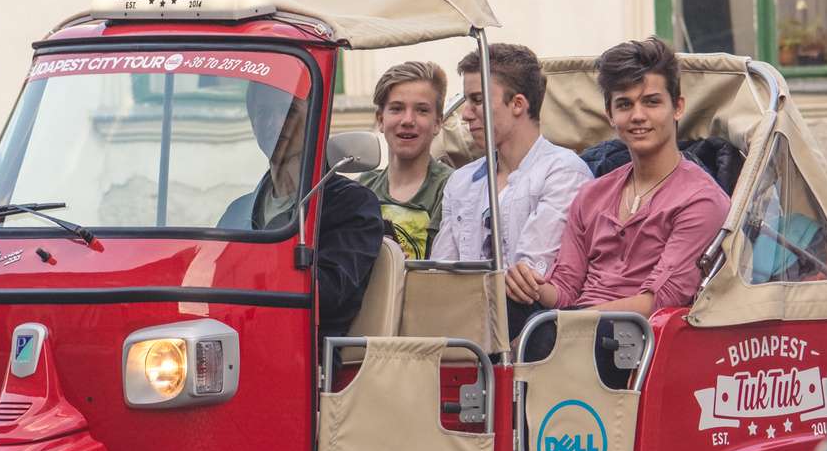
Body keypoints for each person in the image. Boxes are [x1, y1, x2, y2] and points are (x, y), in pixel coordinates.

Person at [531, 37, 731, 319]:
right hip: (570, 325)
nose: (638, 116)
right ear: (610, 115)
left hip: (640, 336)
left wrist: (567, 322)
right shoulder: (591, 195)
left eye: (651, 102)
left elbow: (661, 300)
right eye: (625, 105)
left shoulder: (701, 200)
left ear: (677, 107)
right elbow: (565, 289)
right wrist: (530, 287)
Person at [429, 44, 592, 334]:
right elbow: (440, 273)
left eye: (477, 100)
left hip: (527, 329)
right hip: (460, 327)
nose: (466, 114)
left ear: (517, 104)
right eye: (466, 101)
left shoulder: (563, 172)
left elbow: (529, 278)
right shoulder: (461, 180)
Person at [220, 81, 384, 337]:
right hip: (232, 342)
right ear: (253, 124)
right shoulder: (237, 211)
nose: (275, 123)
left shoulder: (351, 204)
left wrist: (249, 273)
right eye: (263, 112)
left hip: (307, 350)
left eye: (288, 110)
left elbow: (327, 294)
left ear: (314, 120)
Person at [358, 62, 453, 260]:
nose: (408, 120)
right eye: (397, 108)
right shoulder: (361, 189)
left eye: (422, 110)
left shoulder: (453, 188)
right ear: (380, 120)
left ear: (438, 123)